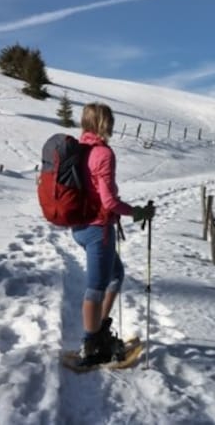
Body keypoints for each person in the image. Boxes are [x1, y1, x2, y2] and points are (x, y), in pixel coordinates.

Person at [71, 102, 154, 365]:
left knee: (116, 275)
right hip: (98, 229)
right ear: (104, 123)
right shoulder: (103, 154)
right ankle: (91, 345)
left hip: (81, 227)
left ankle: (98, 332)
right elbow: (108, 201)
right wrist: (137, 212)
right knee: (95, 288)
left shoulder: (79, 150)